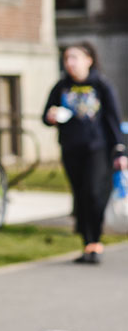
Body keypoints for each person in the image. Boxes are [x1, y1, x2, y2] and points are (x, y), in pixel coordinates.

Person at [42, 41, 128, 264]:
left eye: (75, 58)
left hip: (97, 149)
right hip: (71, 149)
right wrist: (51, 117)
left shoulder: (101, 86)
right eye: (67, 59)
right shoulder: (61, 86)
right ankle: (87, 243)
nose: (70, 63)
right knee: (80, 196)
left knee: (92, 192)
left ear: (89, 60)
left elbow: (112, 119)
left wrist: (120, 150)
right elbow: (46, 116)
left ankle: (95, 240)